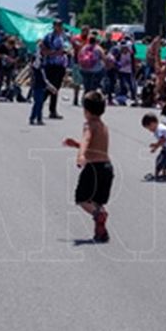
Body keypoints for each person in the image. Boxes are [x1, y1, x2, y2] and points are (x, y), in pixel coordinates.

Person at [63, 91, 113, 242]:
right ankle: (101, 232)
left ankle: (99, 215)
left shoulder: (89, 125)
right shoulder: (103, 126)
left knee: (83, 199)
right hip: (107, 167)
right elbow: (95, 146)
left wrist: (81, 155)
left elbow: (87, 140)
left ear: (86, 111)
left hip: (93, 168)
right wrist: (76, 145)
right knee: (97, 202)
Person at [39, 21, 71, 119]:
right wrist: (55, 53)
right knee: (50, 87)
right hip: (51, 65)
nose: (60, 27)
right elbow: (42, 49)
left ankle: (53, 110)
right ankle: (39, 104)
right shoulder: (49, 37)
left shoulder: (63, 37)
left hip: (60, 65)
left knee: (56, 89)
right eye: (58, 25)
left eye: (61, 25)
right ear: (54, 26)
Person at [142, 112, 166, 182]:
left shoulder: (159, 129)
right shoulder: (160, 127)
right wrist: (156, 144)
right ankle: (163, 175)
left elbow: (163, 139)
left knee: (161, 162)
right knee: (163, 161)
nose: (150, 130)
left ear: (153, 123)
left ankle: (157, 176)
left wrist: (155, 147)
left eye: (149, 127)